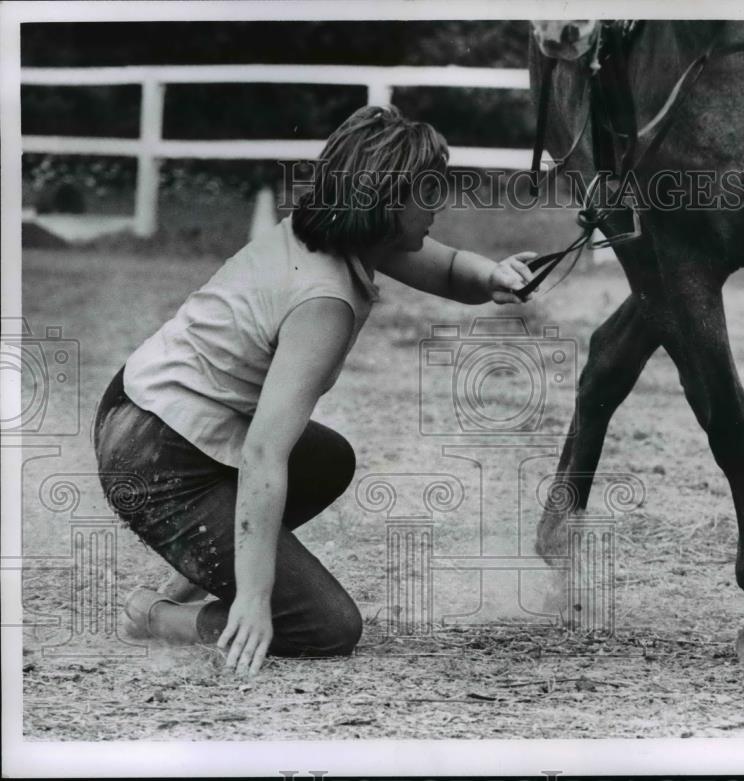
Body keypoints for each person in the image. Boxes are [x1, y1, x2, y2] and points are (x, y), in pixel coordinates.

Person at [93, 105, 536, 677]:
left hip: (138, 407)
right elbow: (263, 454)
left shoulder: (329, 230)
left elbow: (449, 269)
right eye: (428, 193)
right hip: (155, 454)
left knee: (327, 459)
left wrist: (493, 276)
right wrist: (253, 602)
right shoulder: (324, 302)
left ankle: (195, 574)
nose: (440, 205)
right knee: (325, 627)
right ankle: (160, 618)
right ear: (386, 202)